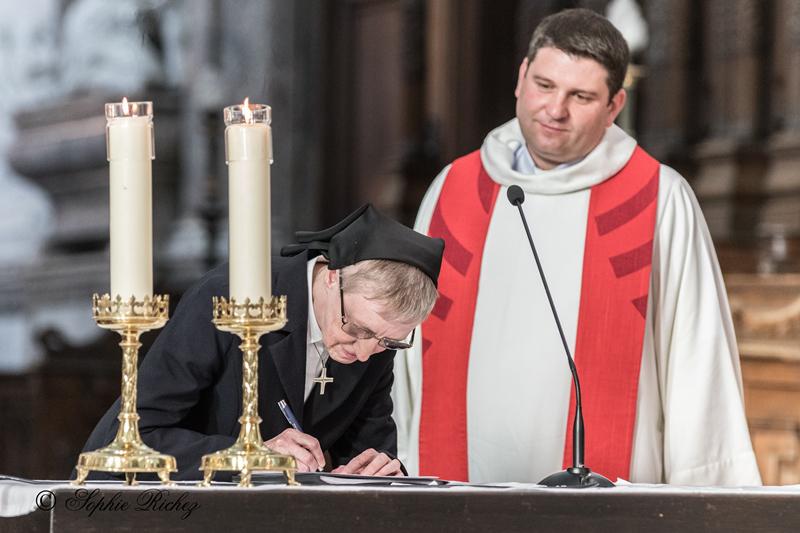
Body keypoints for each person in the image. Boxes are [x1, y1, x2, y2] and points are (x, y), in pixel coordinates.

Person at [392, 8, 761, 486]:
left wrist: (706, 503)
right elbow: (404, 355)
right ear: (522, 77)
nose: (555, 109)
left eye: (581, 96)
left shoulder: (658, 199)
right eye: (544, 85)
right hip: (458, 483)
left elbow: (698, 365)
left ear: (614, 106)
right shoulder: (454, 191)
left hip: (608, 496)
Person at [80, 204, 444, 480]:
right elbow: (126, 441)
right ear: (333, 276)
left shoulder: (377, 333)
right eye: (358, 330)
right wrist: (248, 457)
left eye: (388, 343)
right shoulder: (230, 298)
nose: (364, 353)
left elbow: (369, 450)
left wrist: (380, 475)